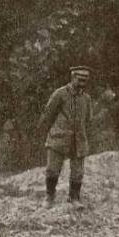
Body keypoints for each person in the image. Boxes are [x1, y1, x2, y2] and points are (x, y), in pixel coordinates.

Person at [38, 65, 93, 207]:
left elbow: (88, 119)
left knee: (78, 172)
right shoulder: (60, 94)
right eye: (80, 79)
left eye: (86, 79)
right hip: (59, 138)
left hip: (78, 140)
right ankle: (49, 197)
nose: (83, 82)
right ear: (73, 77)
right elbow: (47, 115)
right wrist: (49, 133)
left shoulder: (86, 98)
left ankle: (74, 197)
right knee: (53, 169)